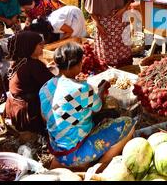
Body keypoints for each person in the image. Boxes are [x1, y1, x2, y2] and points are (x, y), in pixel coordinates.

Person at [39, 42, 134, 171]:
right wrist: (101, 90)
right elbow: (98, 107)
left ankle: (62, 163)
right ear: (78, 64)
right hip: (74, 153)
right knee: (128, 123)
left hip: (56, 149)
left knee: (80, 121)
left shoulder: (45, 88)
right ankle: (99, 168)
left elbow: (45, 117)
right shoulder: (81, 88)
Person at [5, 31, 54, 134]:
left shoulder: (19, 61)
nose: (43, 46)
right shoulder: (33, 65)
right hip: (28, 111)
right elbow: (52, 83)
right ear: (30, 46)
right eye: (39, 44)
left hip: (14, 107)